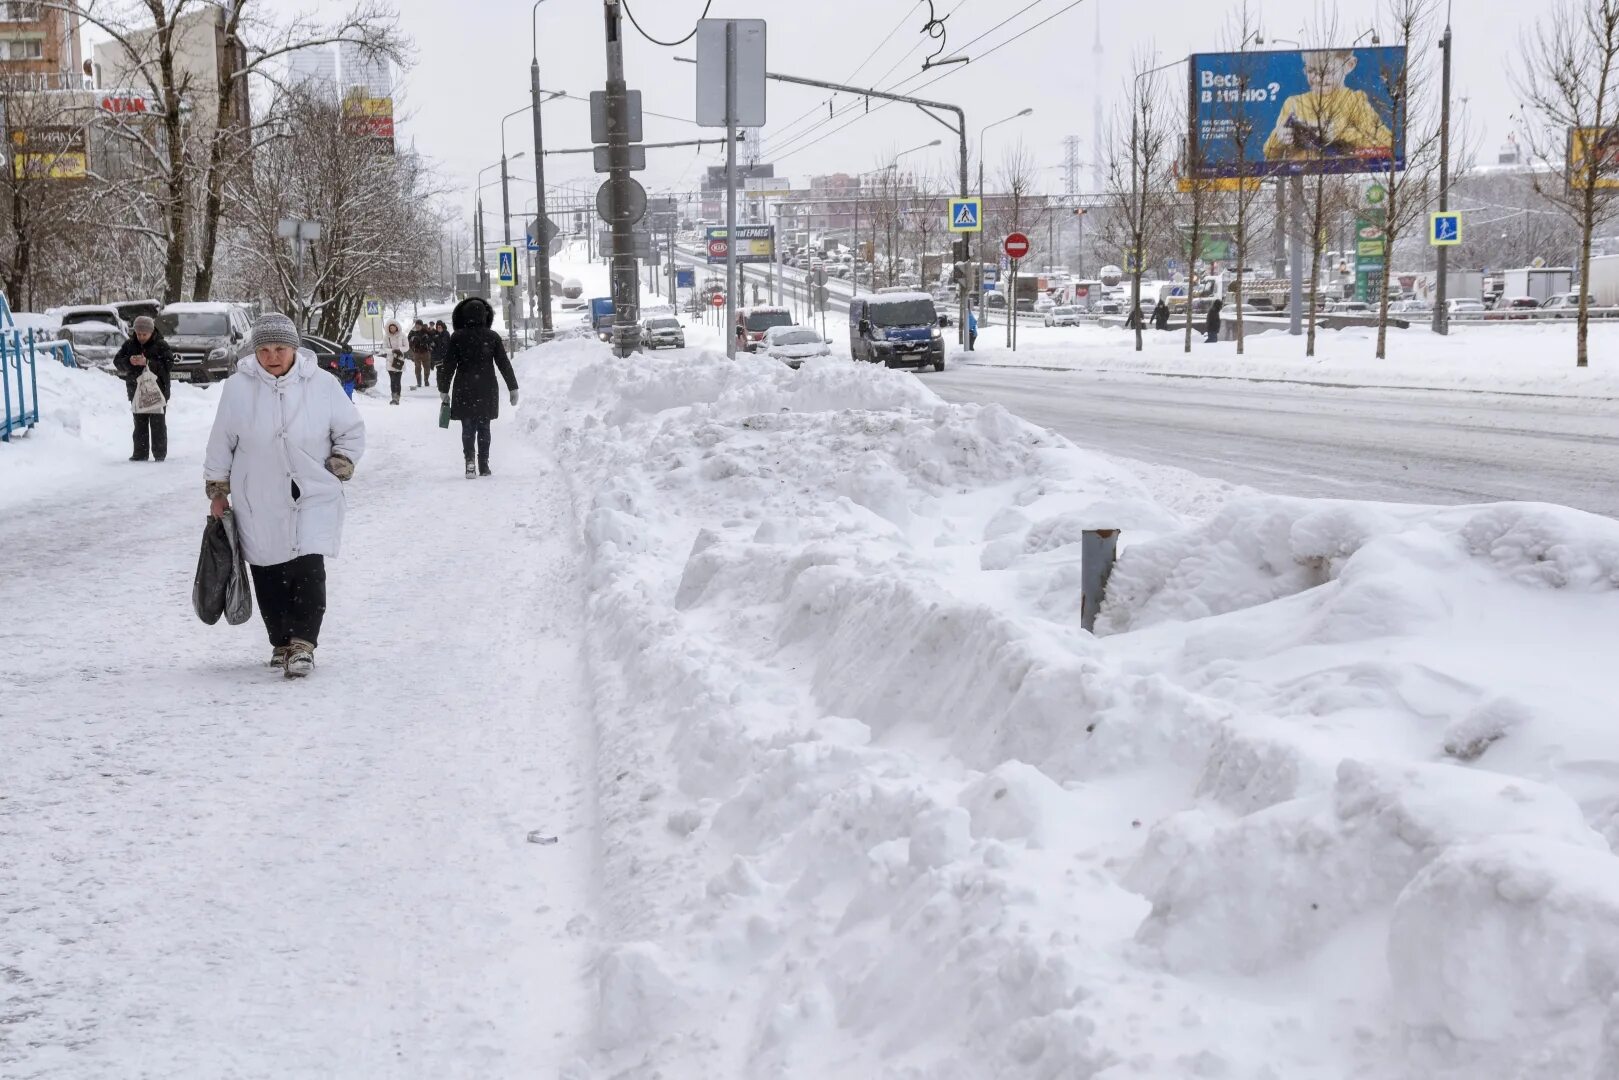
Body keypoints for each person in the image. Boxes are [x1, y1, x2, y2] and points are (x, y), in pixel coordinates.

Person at [204, 313, 366, 678]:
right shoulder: (237, 389)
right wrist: (218, 489)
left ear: (294, 348)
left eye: (279, 348)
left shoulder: (321, 384)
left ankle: (304, 643)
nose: (272, 356)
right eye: (263, 349)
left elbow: (351, 431)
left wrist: (340, 461)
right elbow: (221, 443)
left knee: (308, 567)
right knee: (267, 570)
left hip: (313, 492)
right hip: (257, 495)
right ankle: (281, 641)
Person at [1262, 50, 1394, 163]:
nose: (1319, 79)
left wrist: (1340, 133)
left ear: (1349, 65)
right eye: (1311, 71)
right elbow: (1269, 154)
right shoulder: (1294, 103)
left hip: (1340, 179)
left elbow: (1386, 145)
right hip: (1304, 174)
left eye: (1328, 71)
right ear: (1304, 70)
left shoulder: (1355, 101)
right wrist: (1279, 139)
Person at [438, 296, 518, 479]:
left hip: (463, 387)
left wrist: (443, 389)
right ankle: (484, 464)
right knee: (484, 428)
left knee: (468, 428)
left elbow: (448, 364)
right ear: (484, 315)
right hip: (486, 387)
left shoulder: (457, 337)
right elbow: (503, 363)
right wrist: (513, 387)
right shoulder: (492, 337)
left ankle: (469, 462)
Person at [113, 315, 173, 462]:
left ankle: (159, 454)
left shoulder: (161, 345)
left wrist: (148, 362)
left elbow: (168, 365)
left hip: (158, 391)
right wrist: (129, 361)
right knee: (139, 423)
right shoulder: (129, 345)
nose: (140, 337)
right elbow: (117, 361)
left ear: (151, 332)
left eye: (144, 334)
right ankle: (140, 453)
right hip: (136, 391)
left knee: (157, 423)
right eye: (138, 334)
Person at [382, 319, 409, 405]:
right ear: (389, 329)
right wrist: (392, 351)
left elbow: (407, 347)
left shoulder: (402, 335)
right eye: (391, 328)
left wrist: (399, 350)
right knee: (392, 380)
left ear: (397, 327)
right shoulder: (386, 337)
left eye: (394, 327)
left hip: (399, 360)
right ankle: (393, 397)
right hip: (390, 361)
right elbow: (384, 348)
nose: (392, 329)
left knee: (398, 380)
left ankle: (397, 397)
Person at [407, 319, 432, 389]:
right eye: (416, 325)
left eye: (419, 325)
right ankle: (419, 382)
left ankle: (426, 380)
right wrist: (412, 342)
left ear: (421, 326)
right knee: (417, 368)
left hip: (425, 352)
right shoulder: (412, 332)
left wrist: (426, 340)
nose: (417, 326)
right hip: (416, 352)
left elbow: (431, 339)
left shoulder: (426, 331)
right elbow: (408, 340)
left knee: (427, 367)